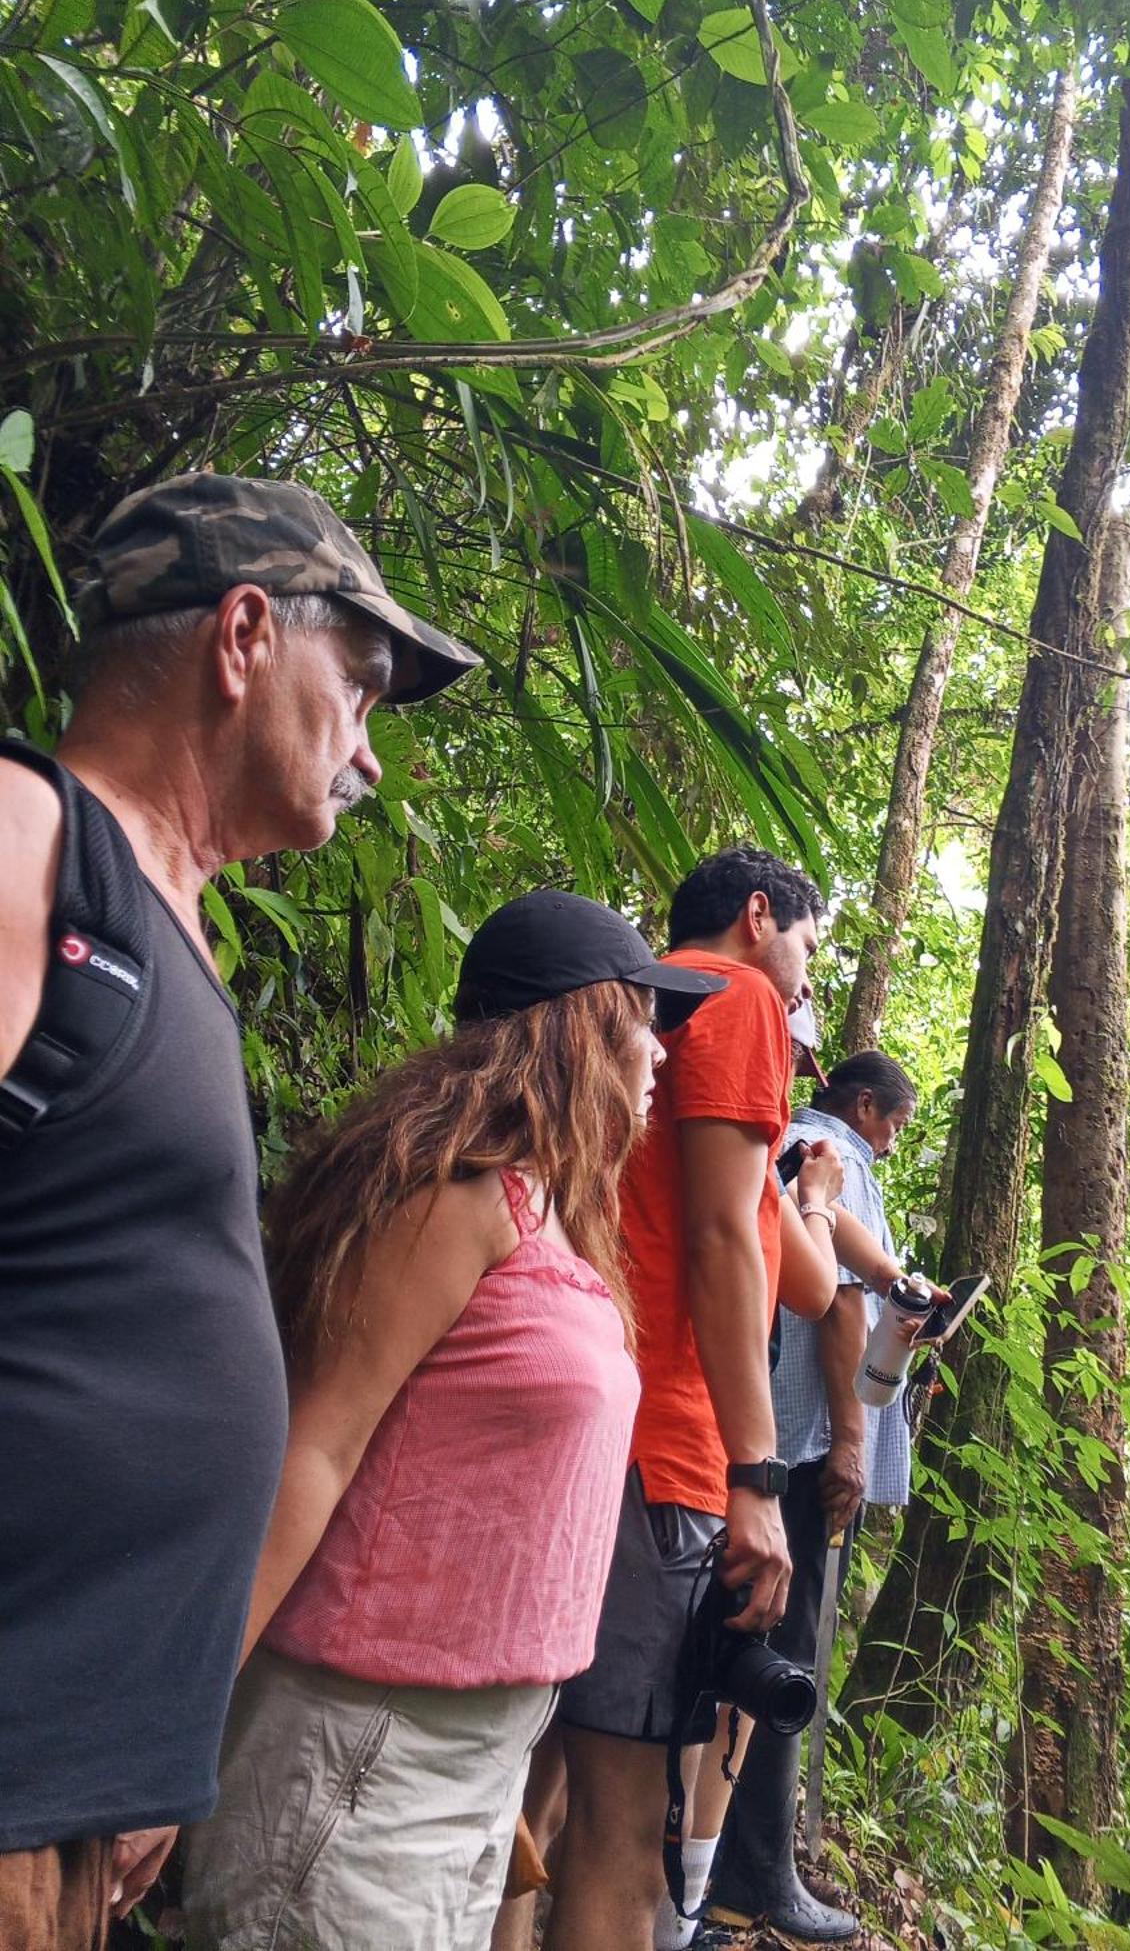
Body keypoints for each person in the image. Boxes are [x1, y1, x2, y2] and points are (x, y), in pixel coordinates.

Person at [0, 472, 476, 1950]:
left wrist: (146, 1739)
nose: (373, 759)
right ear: (244, 635)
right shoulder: (31, 843)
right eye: (364, 687)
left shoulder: (171, 920)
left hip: (66, 1783)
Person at [179, 890, 725, 1951]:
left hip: (474, 1758)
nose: (660, 1050)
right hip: (364, 1749)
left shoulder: (553, 1212)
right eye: (640, 1016)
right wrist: (181, 1723)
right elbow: (318, 1445)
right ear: (573, 1022)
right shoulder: (451, 1195)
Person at [542, 846, 846, 1951]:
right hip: (662, 1444)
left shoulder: (641, 1011)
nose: (810, 978)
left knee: (535, 1799)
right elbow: (723, 1243)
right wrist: (756, 1476)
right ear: (759, 916)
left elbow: (792, 1270)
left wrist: (803, 1194)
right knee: (619, 1828)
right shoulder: (738, 997)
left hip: (585, 1424)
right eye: (810, 943)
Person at [708, 1050, 919, 1942]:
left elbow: (868, 1294)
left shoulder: (781, 1146)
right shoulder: (833, 1161)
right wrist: (851, 1441)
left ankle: (714, 1872)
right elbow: (836, 1303)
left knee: (740, 1650)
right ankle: (759, 1879)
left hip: (754, 1445)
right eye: (896, 1125)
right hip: (794, 1454)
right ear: (865, 1106)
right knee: (783, 1657)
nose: (893, 1144)